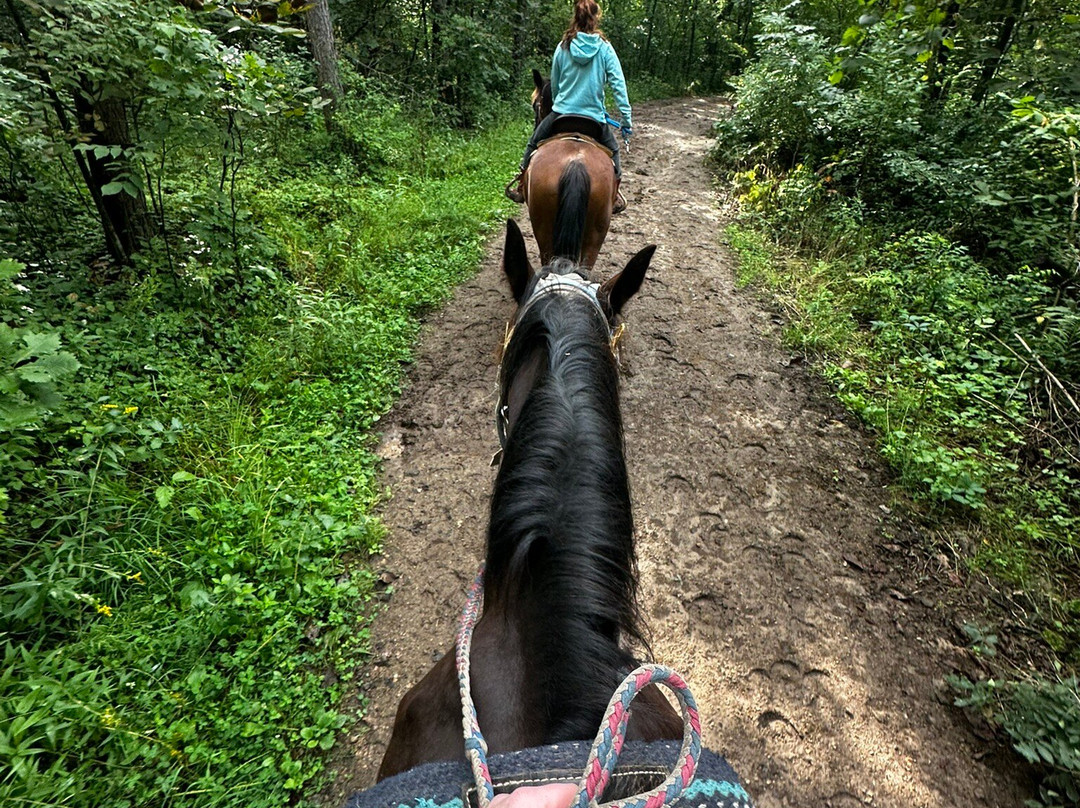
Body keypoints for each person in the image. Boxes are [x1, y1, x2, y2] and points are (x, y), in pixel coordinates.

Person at [506, 0, 633, 213]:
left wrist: (562, 102)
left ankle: (520, 184)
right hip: (594, 119)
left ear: (575, 17)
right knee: (614, 152)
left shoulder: (563, 46)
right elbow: (619, 85)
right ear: (596, 18)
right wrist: (626, 120)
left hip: (561, 115)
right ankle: (616, 194)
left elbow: (555, 84)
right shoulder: (605, 49)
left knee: (533, 143)